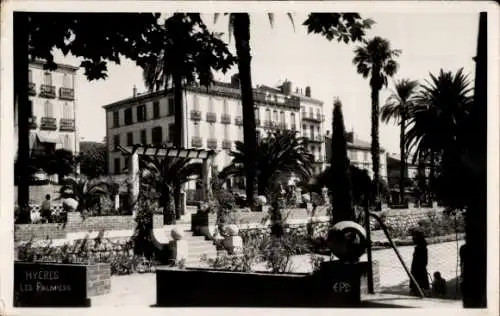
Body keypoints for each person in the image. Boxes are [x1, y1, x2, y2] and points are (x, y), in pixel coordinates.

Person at [409, 229, 430, 296]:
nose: (412, 238)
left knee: (419, 281)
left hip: (418, 268)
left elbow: (423, 260)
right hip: (418, 268)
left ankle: (419, 291)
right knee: (419, 282)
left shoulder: (421, 248)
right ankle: (419, 290)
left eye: (414, 237)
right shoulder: (420, 247)